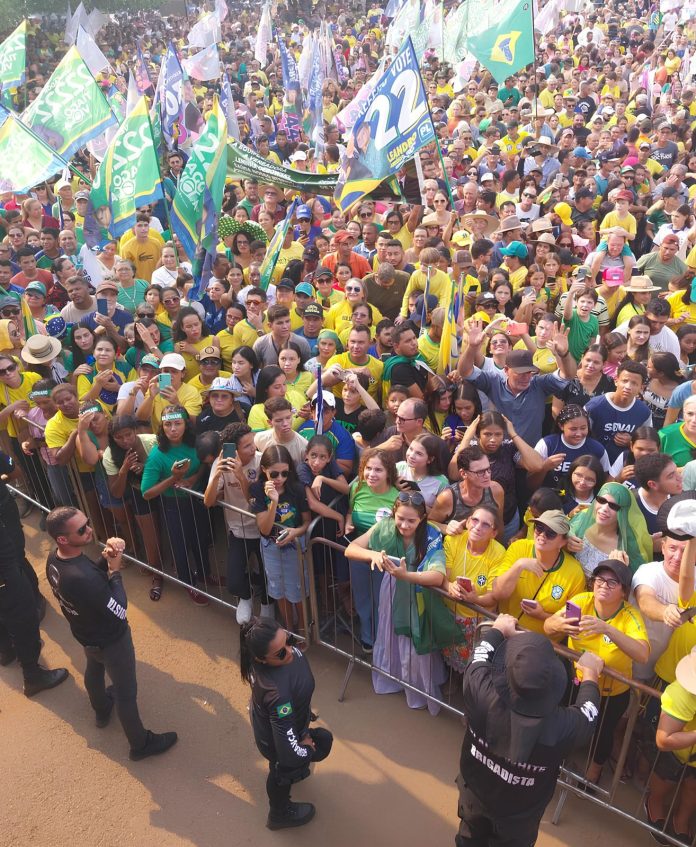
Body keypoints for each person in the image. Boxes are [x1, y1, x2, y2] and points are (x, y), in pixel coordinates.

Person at [455, 613, 603, 847]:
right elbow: (589, 712)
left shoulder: (481, 692)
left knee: (468, 840)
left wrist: (498, 630)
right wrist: (591, 674)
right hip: (520, 816)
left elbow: (479, 656)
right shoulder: (561, 726)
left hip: (474, 792)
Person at [45, 507, 177, 760]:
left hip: (86, 634)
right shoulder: (83, 578)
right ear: (62, 538)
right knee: (126, 694)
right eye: (81, 529)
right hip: (112, 641)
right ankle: (140, 744)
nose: (89, 530)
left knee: (94, 669)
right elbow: (119, 608)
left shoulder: (55, 558)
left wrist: (104, 560)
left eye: (87, 523)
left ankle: (102, 708)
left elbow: (88, 582)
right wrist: (114, 571)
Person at [345, 490, 456, 715]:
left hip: (420, 593)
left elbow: (438, 576)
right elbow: (351, 548)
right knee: (391, 635)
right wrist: (373, 555)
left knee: (415, 643)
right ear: (393, 514)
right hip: (392, 592)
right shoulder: (384, 527)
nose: (404, 525)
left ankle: (419, 690)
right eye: (400, 518)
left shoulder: (432, 534)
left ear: (422, 519)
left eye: (411, 521)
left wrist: (407, 576)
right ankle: (394, 679)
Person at [544, 558, 649, 784]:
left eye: (612, 582)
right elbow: (548, 626)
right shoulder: (582, 601)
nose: (603, 585)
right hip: (578, 682)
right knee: (565, 721)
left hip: (612, 692)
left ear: (624, 591)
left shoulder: (630, 615)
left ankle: (593, 774)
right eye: (600, 579)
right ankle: (555, 762)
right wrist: (558, 626)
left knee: (603, 733)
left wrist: (607, 629)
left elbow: (642, 654)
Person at [240, 617, 333, 830]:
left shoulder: (273, 660)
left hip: (287, 723)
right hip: (278, 740)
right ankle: (279, 813)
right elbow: (288, 751)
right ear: (261, 659)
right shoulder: (278, 695)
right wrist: (306, 750)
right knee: (281, 771)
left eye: (289, 640)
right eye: (280, 653)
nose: (290, 651)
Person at [490, 509, 586, 635]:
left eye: (551, 533)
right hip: (504, 630)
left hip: (539, 642)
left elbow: (571, 623)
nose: (542, 535)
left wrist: (542, 615)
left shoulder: (575, 572)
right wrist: (519, 566)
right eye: (539, 528)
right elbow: (498, 594)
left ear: (563, 542)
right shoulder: (518, 547)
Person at [568, 481, 652, 576]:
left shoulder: (629, 547)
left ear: (623, 512)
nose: (604, 509)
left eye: (613, 506)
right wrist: (566, 541)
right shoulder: (582, 518)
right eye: (601, 500)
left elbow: (638, 580)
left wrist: (620, 570)